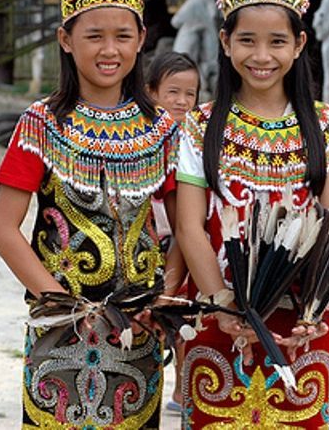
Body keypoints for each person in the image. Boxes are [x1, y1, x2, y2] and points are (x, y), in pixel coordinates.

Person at [0, 0, 179, 428]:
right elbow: (2, 230)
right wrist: (64, 306)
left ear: (141, 41)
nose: (109, 50)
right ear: (66, 40)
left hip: (139, 327)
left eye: (122, 36)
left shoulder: (163, 130)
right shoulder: (41, 123)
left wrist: (165, 299)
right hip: (59, 327)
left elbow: (185, 228)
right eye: (94, 36)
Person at [174, 0, 329, 428]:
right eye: (247, 40)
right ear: (226, 42)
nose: (262, 56)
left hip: (302, 319)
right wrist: (225, 306)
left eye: (277, 42)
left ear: (299, 44)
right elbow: (190, 228)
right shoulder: (200, 127)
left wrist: (314, 307)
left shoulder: (325, 124)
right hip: (218, 311)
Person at [145, 51, 201, 413]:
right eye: (173, 92)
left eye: (190, 94)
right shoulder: (146, 138)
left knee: (186, 318)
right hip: (153, 235)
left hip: (187, 238)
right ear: (151, 92)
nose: (182, 102)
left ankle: (183, 387)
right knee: (152, 317)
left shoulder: (197, 140)